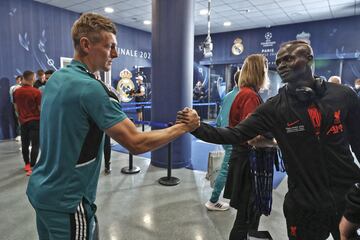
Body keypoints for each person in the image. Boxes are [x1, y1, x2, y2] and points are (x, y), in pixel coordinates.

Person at [26, 13, 199, 240]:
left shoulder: (56, 80)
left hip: (42, 191)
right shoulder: (92, 89)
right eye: (110, 47)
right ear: (86, 45)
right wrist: (183, 128)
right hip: (69, 200)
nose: (115, 54)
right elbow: (136, 142)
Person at [178, 40, 360, 240]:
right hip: (304, 205)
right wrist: (196, 127)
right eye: (279, 61)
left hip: (347, 200)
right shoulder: (275, 108)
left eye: (289, 59)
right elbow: (235, 134)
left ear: (309, 59)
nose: (281, 64)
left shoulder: (343, 96)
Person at [205, 70, 240, 211]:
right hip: (233, 138)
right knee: (225, 169)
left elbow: (219, 119)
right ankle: (213, 200)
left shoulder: (228, 95)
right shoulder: (242, 96)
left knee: (230, 167)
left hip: (225, 135)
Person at [13, 71, 41, 176]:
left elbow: (16, 107)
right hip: (35, 121)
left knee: (25, 144)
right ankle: (33, 165)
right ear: (32, 79)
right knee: (35, 144)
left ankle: (27, 165)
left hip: (23, 121)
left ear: (23, 78)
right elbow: (40, 108)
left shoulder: (16, 92)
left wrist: (20, 117)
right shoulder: (37, 92)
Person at [9, 75, 23, 141]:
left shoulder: (24, 87)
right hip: (15, 105)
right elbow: (12, 97)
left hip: (24, 106)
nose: (19, 81)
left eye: (20, 80)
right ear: (16, 80)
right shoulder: (13, 87)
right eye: (18, 80)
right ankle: (19, 134)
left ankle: (24, 134)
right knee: (17, 120)